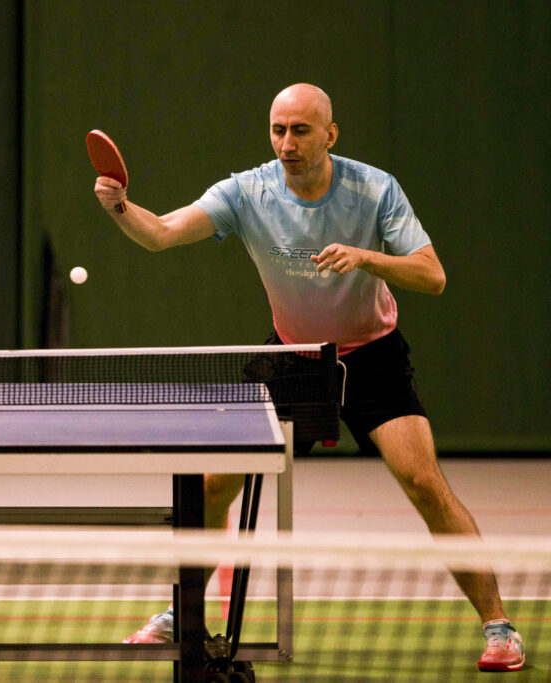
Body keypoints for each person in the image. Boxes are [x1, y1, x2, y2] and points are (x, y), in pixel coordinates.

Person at [93, 83, 523, 672]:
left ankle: (499, 626)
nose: (286, 143)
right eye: (277, 130)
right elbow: (162, 232)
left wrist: (367, 256)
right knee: (215, 483)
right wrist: (120, 206)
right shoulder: (247, 191)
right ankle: (181, 612)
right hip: (294, 358)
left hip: (371, 356)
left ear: (330, 134)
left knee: (424, 481)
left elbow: (433, 275)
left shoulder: (373, 189)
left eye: (299, 130)